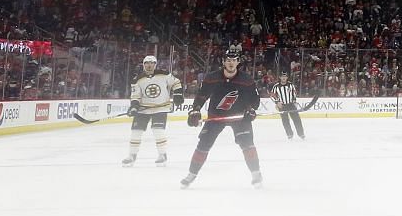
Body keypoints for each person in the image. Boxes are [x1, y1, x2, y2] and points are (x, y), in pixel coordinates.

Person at [181, 47, 264, 188]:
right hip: (215, 117)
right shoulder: (212, 78)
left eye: (234, 60)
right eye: (228, 60)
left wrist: (251, 110)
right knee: (203, 144)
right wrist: (195, 110)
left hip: (239, 117)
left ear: (238, 62)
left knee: (247, 144)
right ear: (223, 62)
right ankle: (191, 174)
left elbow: (254, 100)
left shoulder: (247, 80)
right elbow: (202, 96)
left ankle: (256, 174)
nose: (231, 63)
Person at [123, 53, 183, 167]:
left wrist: (178, 95)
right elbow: (135, 96)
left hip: (161, 108)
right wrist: (134, 106)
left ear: (155, 64)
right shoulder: (137, 79)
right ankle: (131, 156)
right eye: (146, 63)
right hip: (143, 110)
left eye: (151, 63)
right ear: (143, 65)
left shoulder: (164, 74)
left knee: (158, 131)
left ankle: (162, 155)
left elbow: (176, 82)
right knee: (136, 132)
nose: (149, 65)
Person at [271, 61, 307, 140]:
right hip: (282, 106)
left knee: (297, 119)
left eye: (285, 76)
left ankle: (301, 134)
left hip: (291, 105)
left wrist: (294, 101)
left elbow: (294, 94)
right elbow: (272, 95)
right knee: (285, 121)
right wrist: (277, 102)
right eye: (282, 76)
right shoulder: (276, 86)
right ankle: (289, 134)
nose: (284, 78)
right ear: (280, 77)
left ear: (287, 77)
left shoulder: (291, 85)